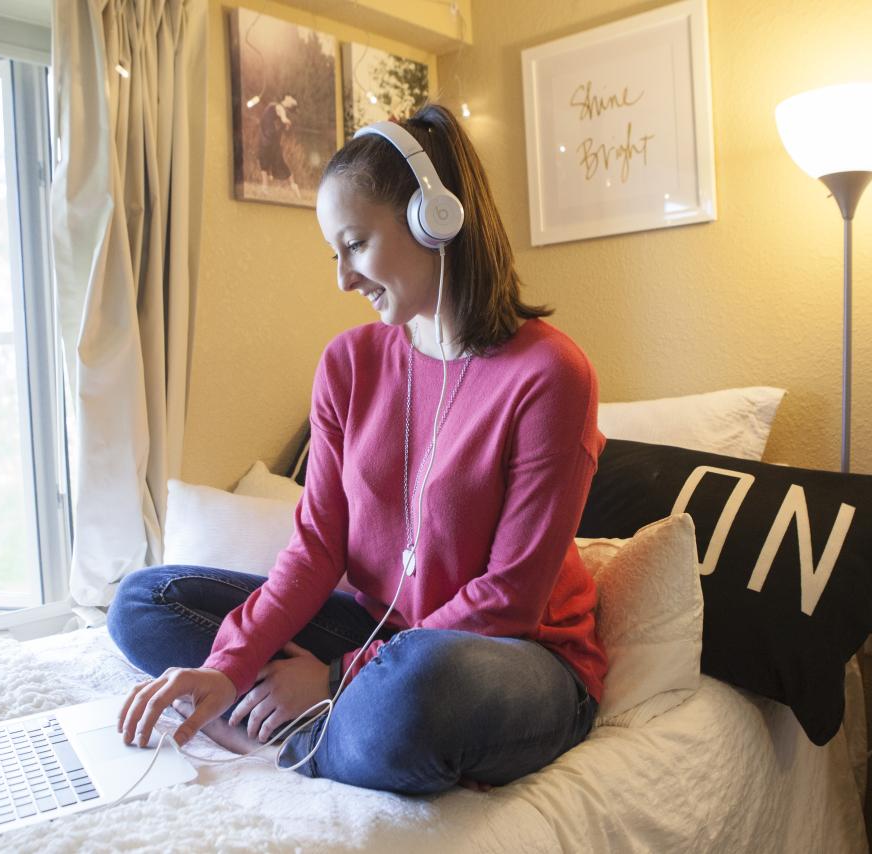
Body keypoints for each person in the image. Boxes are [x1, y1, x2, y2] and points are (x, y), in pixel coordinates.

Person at [111, 103, 606, 796]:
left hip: (509, 657)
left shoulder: (551, 374)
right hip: (381, 629)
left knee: (416, 692)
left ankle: (298, 732)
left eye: (356, 244)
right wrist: (227, 665)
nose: (343, 279)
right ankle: (303, 715)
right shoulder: (349, 363)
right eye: (334, 253)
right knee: (144, 600)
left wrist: (335, 675)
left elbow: (511, 598)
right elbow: (318, 545)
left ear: (434, 220)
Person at [257, 94, 300, 198]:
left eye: (292, 99)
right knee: (264, 161)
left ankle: (293, 186)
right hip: (266, 137)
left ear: (289, 104)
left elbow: (284, 119)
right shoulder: (277, 106)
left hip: (270, 139)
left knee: (277, 162)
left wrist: (287, 122)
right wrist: (286, 124)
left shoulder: (280, 108)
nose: (290, 97)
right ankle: (265, 188)